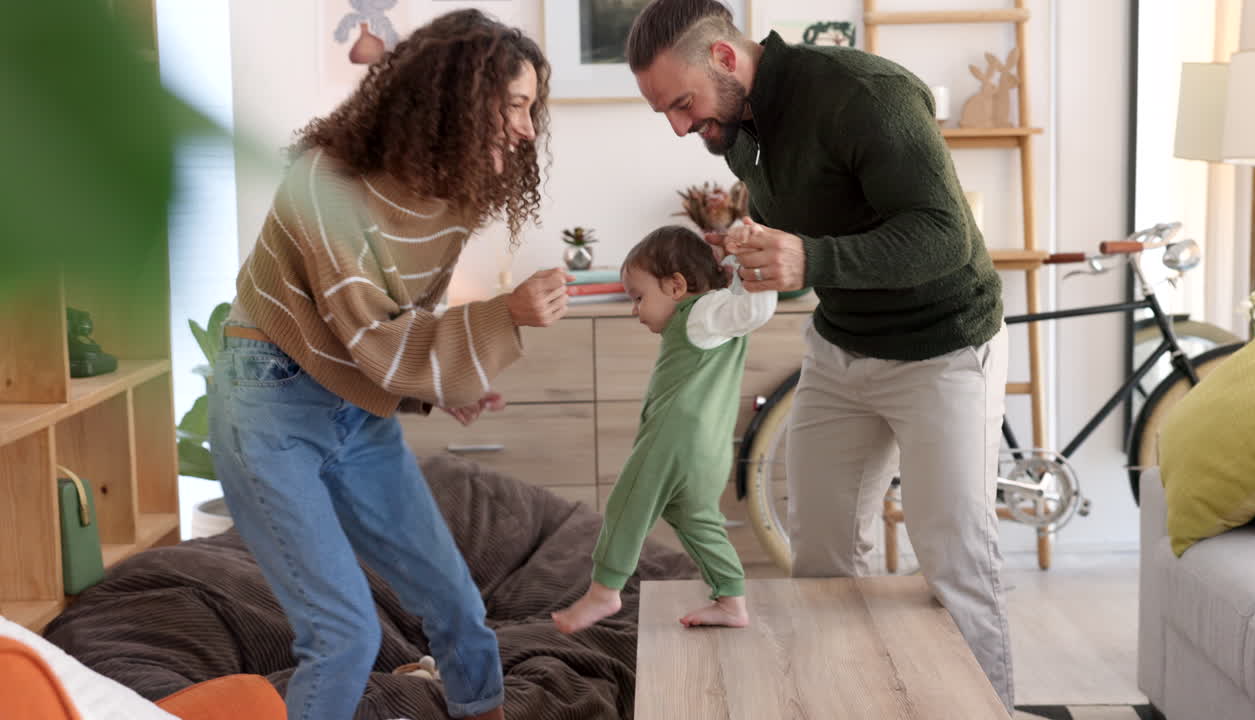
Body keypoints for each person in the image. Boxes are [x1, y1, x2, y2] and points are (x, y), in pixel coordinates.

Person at [624, 0, 1015, 709]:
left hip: (945, 346)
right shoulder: (739, 128)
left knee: (955, 560)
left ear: (724, 58)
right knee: (822, 557)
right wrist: (756, 247)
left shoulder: (864, 96)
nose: (680, 127)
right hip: (841, 350)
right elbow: (812, 222)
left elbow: (943, 237)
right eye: (666, 114)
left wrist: (811, 258)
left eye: (682, 104)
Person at [209, 11, 569, 720]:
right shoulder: (325, 184)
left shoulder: (455, 198)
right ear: (455, 100)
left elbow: (404, 319)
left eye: (533, 110)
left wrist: (438, 386)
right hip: (269, 403)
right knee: (343, 635)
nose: (528, 130)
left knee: (457, 605)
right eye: (515, 106)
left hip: (356, 410)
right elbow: (373, 337)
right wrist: (505, 315)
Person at [552, 226, 776, 633]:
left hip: (675, 440)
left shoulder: (701, 314)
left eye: (638, 298)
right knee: (696, 519)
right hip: (704, 448)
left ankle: (604, 592)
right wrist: (735, 264)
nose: (634, 310)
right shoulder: (711, 318)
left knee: (627, 502)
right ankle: (731, 599)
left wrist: (749, 263)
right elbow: (743, 305)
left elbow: (754, 310)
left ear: (676, 286)